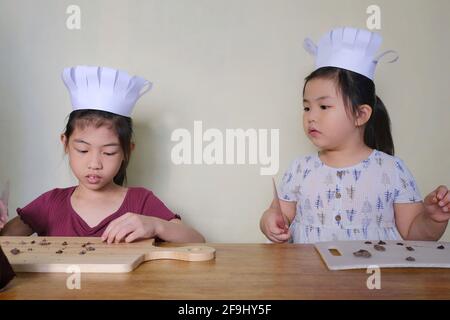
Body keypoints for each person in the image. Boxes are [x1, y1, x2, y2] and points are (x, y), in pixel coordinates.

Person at [260, 27, 449, 243]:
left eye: (323, 106)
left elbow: (414, 236)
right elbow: (280, 216)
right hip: (309, 276)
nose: (311, 116)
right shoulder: (299, 170)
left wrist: (433, 219)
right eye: (306, 108)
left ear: (360, 114)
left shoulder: (393, 171)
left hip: (375, 276)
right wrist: (269, 221)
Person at [0, 65, 205, 243]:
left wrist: (156, 226)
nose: (94, 163)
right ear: (65, 143)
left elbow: (196, 241)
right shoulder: (50, 204)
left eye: (109, 152)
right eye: (82, 150)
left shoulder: (141, 201)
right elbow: (6, 241)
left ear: (127, 152)